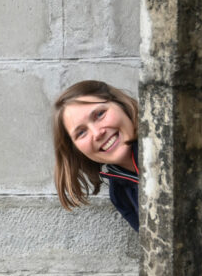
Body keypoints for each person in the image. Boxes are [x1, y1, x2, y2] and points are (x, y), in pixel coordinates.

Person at [52, 80, 139, 230]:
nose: (97, 133)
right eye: (81, 132)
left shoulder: (173, 145)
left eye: (100, 114)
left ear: (121, 105)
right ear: (76, 150)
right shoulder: (119, 195)